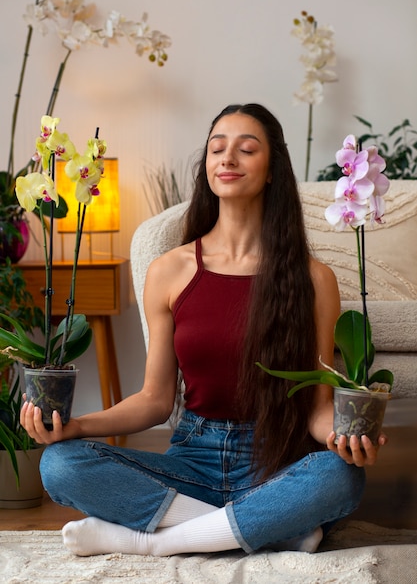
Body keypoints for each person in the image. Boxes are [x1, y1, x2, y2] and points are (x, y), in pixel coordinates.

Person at [21, 103, 387, 557]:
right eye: (217, 149)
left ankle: (153, 542)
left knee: (341, 477)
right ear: (207, 167)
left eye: (246, 149)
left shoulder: (314, 279)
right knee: (60, 465)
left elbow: (317, 409)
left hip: (274, 464)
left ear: (272, 170)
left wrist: (345, 438)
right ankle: (270, 529)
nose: (228, 158)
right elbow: (155, 401)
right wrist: (75, 426)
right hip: (193, 461)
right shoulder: (169, 270)